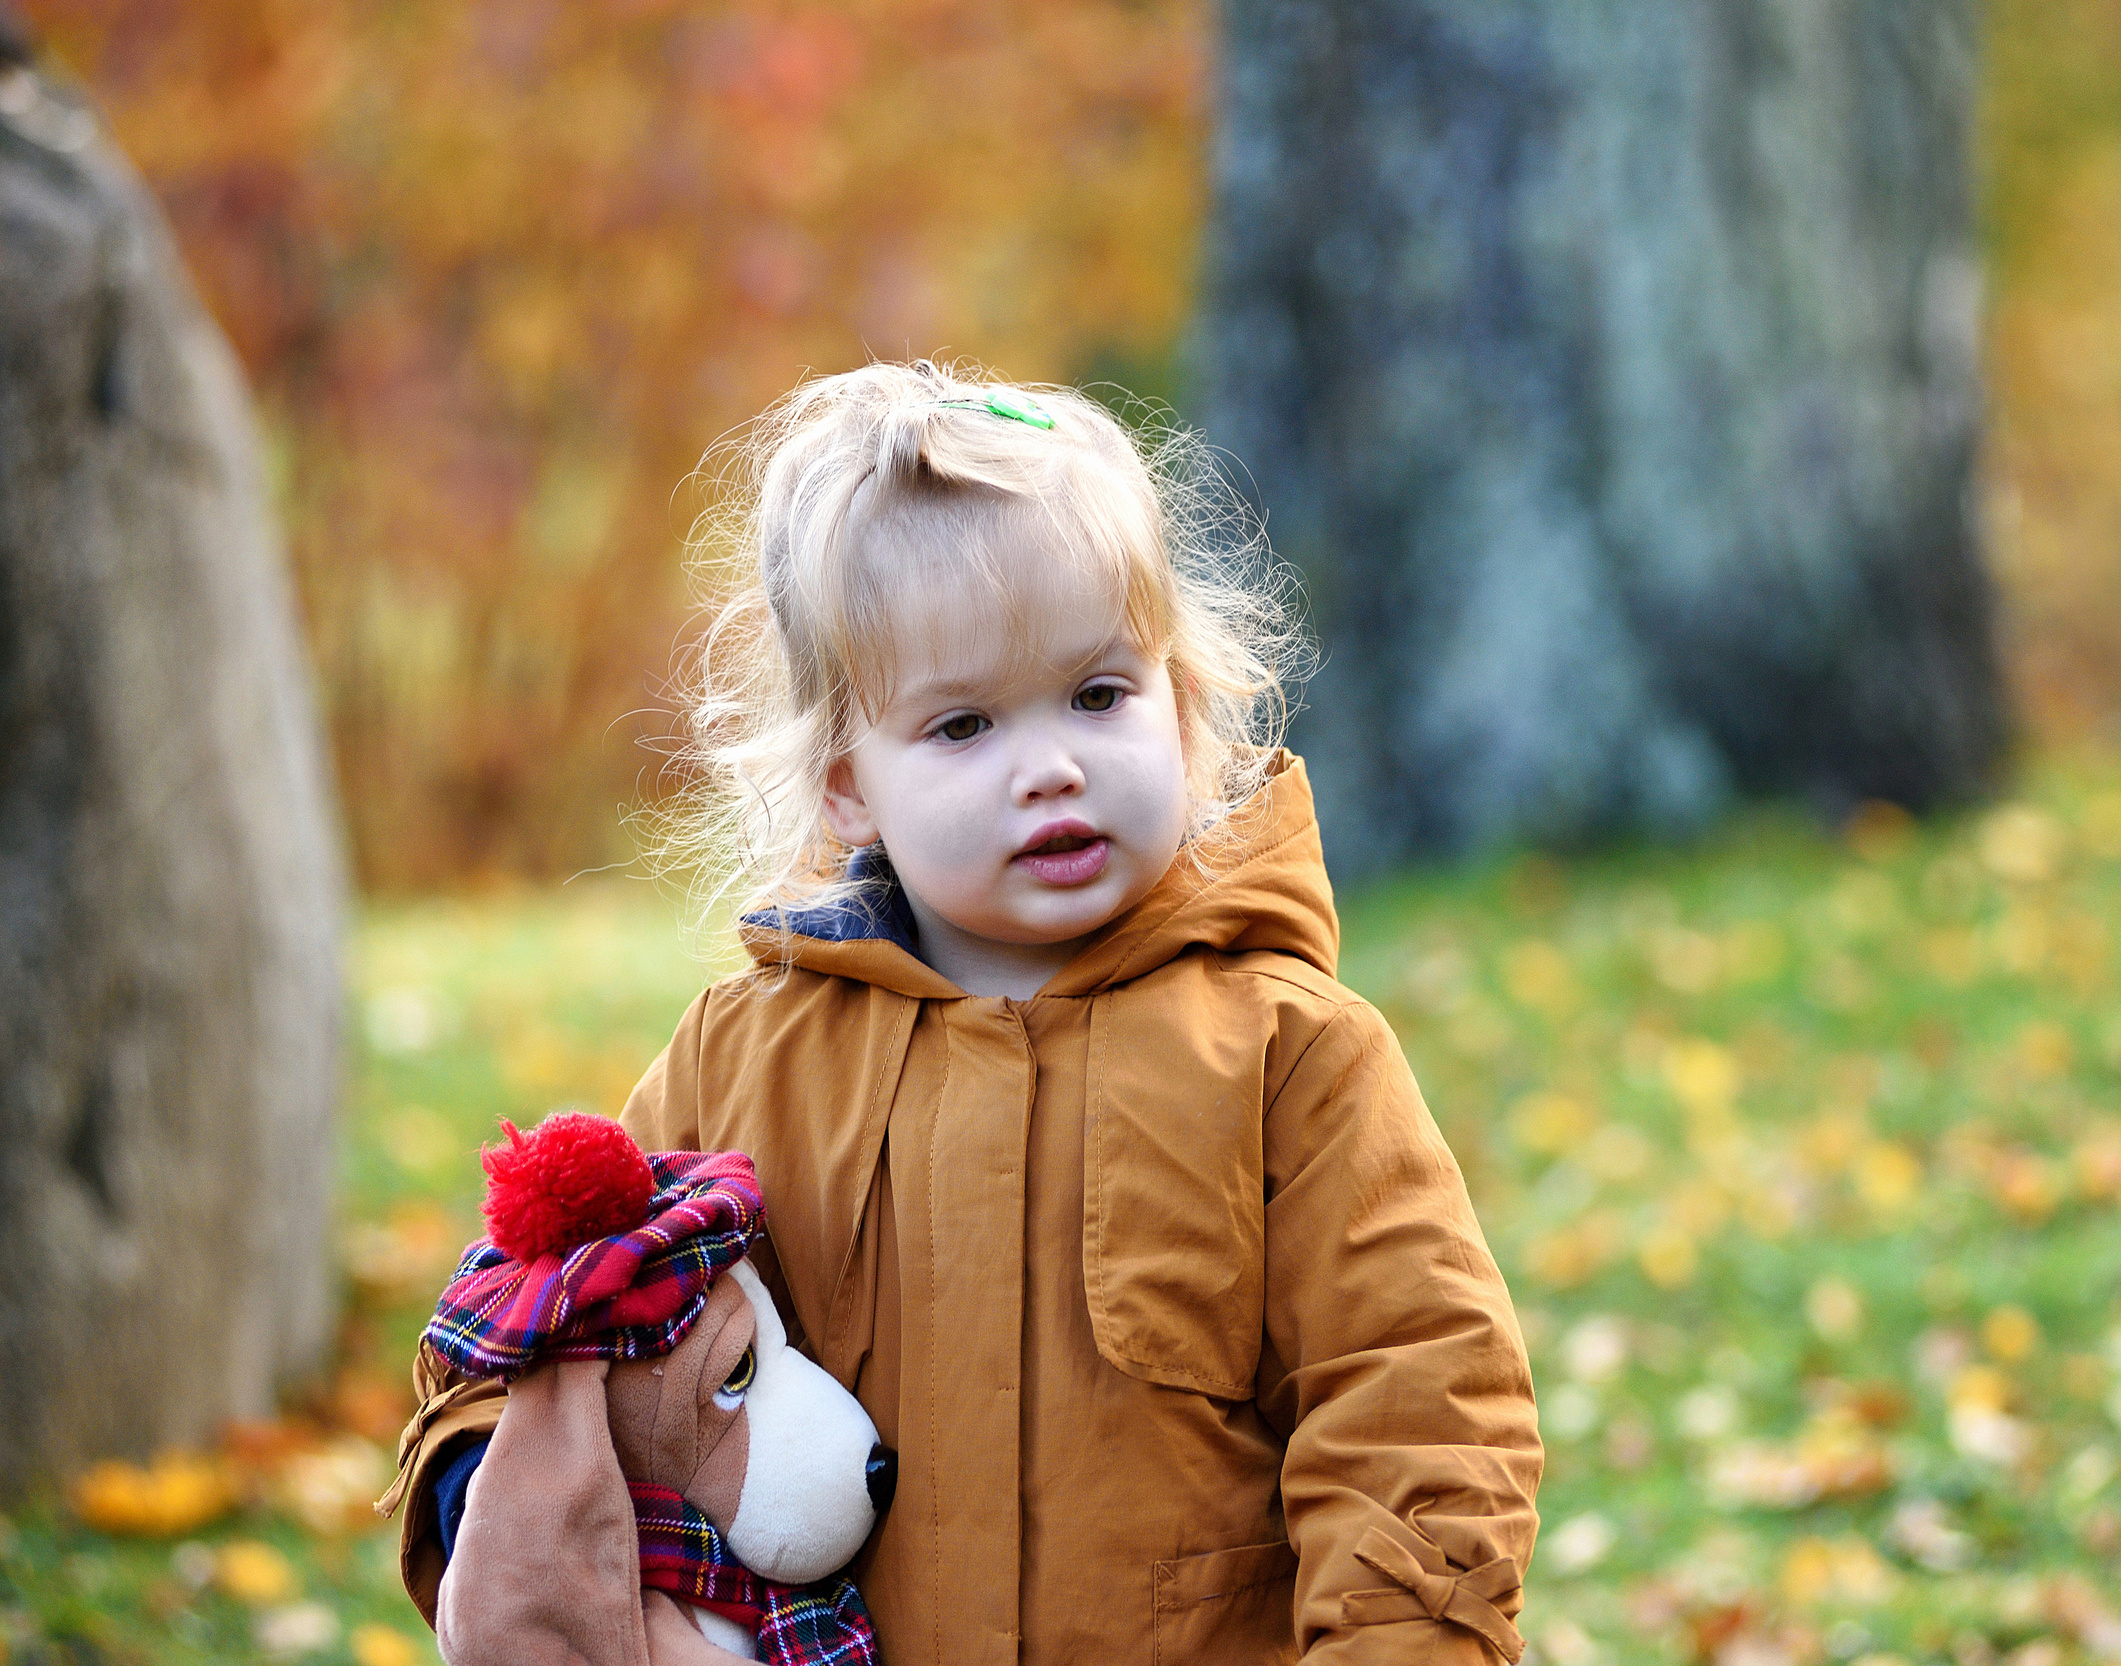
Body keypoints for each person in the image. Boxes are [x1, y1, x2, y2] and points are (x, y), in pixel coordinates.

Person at [386, 360, 1542, 1663]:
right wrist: (486, 1486)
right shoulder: (744, 1062)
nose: (1049, 764)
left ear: (1185, 707)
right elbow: (584, 1345)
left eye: (1100, 694)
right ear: (845, 788)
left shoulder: (1290, 1056)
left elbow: (1417, 1410)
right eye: (965, 724)